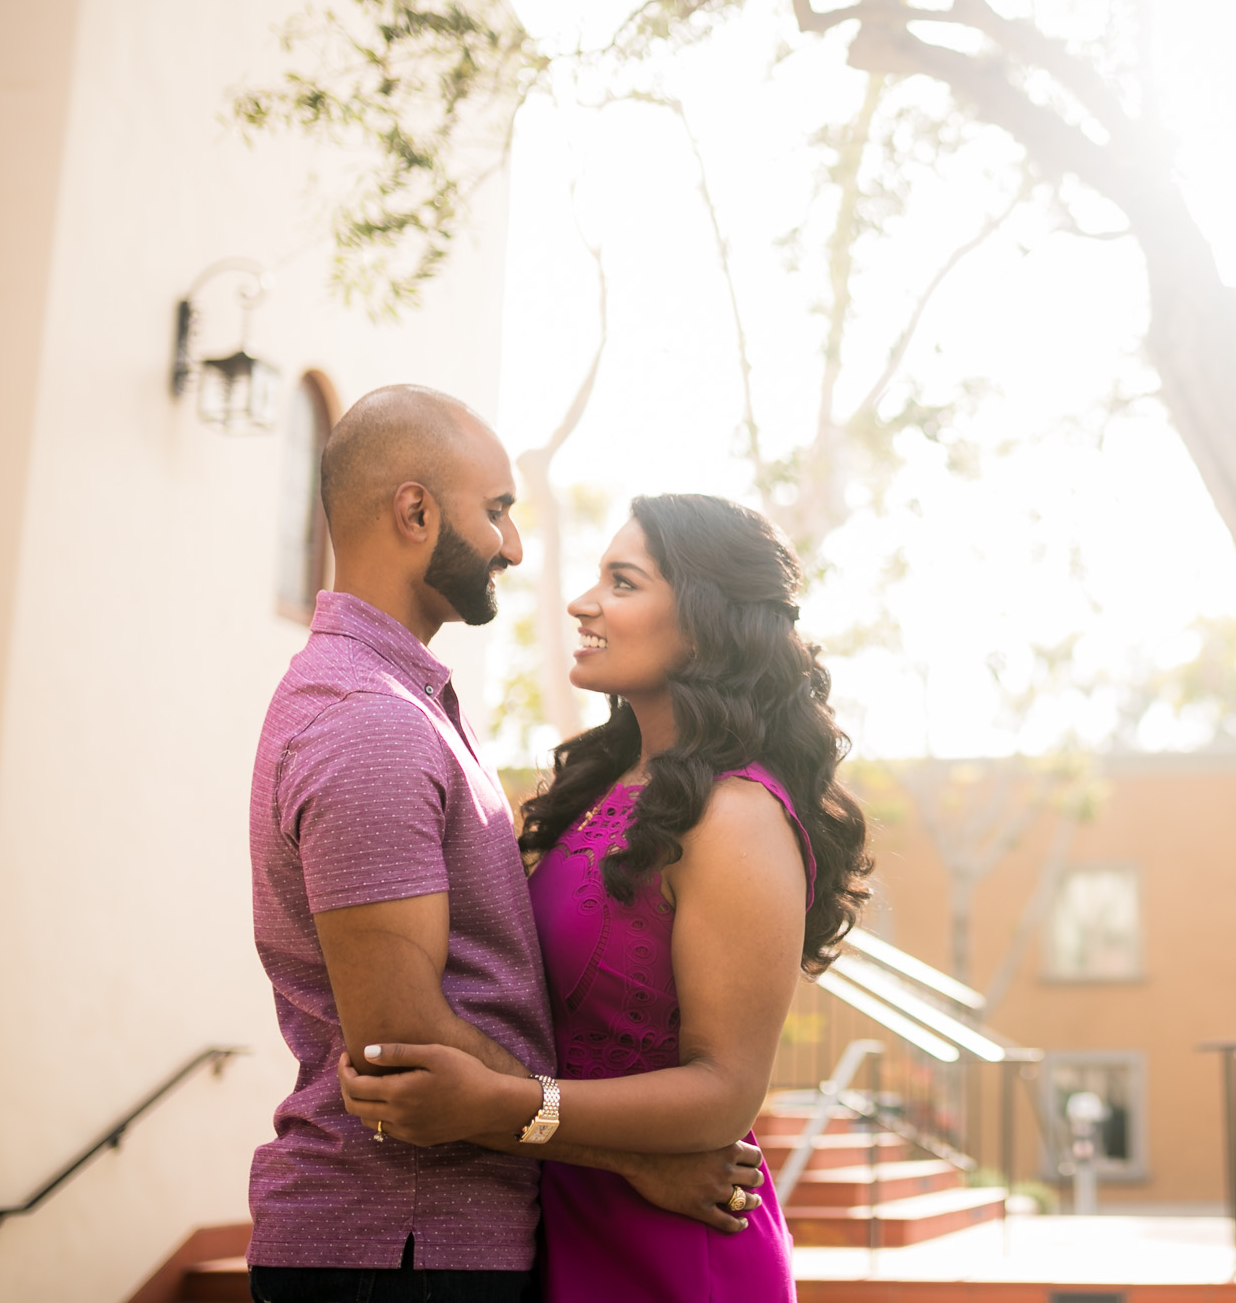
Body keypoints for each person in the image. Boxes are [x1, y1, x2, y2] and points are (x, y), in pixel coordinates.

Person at [247, 390, 764, 1303]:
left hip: (440, 1240)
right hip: (399, 1242)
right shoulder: (372, 723)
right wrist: (628, 1162)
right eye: (497, 511)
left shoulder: (402, 708)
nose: (517, 548)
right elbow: (405, 1055)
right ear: (416, 513)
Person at [340, 492, 873, 1303]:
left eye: (623, 582)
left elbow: (726, 1089)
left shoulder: (737, 814)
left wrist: (501, 1106)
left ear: (705, 622)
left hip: (679, 1251)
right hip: (559, 1221)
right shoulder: (602, 789)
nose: (584, 602)